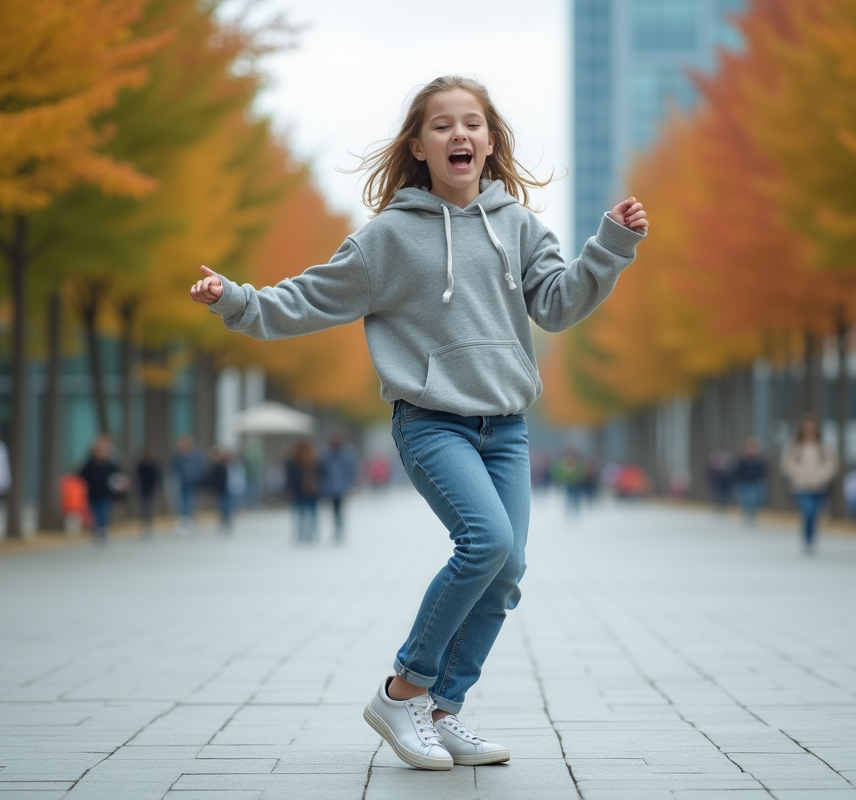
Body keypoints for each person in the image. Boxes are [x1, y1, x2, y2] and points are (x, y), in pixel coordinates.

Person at [189, 75, 646, 771]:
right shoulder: (390, 238)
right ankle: (402, 691)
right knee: (485, 541)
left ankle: (440, 710)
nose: (459, 134)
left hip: (507, 428)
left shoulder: (518, 226)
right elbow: (309, 298)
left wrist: (609, 247)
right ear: (419, 146)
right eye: (442, 125)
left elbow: (557, 306)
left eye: (472, 123)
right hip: (432, 424)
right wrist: (235, 300)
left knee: (507, 569)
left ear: (489, 142)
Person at [780, 415, 839, 554]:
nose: (809, 430)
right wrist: (799, 472)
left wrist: (822, 474)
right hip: (801, 485)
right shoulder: (795, 445)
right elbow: (787, 462)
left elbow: (832, 462)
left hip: (819, 485)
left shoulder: (823, 445)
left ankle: (812, 538)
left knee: (815, 514)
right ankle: (807, 538)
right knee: (808, 511)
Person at [78, 434, 124, 544]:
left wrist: (122, 482)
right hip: (92, 492)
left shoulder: (110, 464)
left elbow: (119, 475)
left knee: (103, 511)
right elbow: (82, 475)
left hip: (105, 492)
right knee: (94, 512)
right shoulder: (90, 464)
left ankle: (102, 529)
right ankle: (96, 529)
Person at [319, 432, 358, 544]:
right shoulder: (326, 454)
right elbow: (322, 471)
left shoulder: (347, 454)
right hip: (330, 487)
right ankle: (337, 527)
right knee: (334, 508)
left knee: (339, 508)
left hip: (341, 487)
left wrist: (351, 485)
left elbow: (351, 471)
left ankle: (339, 528)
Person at [285, 439, 320, 543]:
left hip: (311, 491)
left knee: (309, 512)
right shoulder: (293, 461)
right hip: (299, 490)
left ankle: (309, 531)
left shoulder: (314, 461)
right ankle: (303, 532)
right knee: (302, 512)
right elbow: (290, 477)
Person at [171, 436, 203, 533]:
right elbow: (174, 469)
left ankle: (189, 519)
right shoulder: (178, 457)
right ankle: (185, 519)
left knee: (191, 502)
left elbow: (201, 468)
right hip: (182, 484)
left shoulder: (195, 456)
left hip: (193, 483)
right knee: (183, 502)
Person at [733, 437, 767, 525]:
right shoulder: (741, 459)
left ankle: (752, 514)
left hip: (754, 482)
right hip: (743, 482)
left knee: (753, 499)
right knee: (744, 500)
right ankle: (746, 514)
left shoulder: (759, 460)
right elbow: (737, 471)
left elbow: (763, 472)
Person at [204, 446, 233, 532]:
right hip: (221, 489)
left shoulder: (223, 464)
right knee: (223, 506)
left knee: (225, 506)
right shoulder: (216, 465)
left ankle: (226, 522)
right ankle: (225, 522)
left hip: (225, 488)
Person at [136, 450, 160, 533]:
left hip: (150, 489)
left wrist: (156, 489)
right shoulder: (140, 466)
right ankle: (144, 522)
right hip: (142, 489)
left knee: (149, 507)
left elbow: (156, 478)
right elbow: (137, 477)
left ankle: (149, 522)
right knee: (143, 507)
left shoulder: (153, 466)